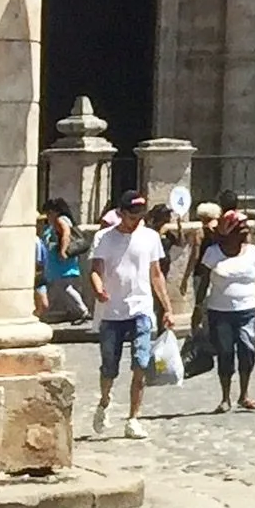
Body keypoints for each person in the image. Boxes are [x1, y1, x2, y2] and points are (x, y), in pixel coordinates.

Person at [87, 187, 170, 439]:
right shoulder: (104, 238)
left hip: (141, 310)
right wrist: (99, 288)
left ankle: (133, 418)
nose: (137, 221)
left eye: (140, 216)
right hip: (112, 312)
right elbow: (95, 268)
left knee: (141, 363)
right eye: (132, 216)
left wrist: (167, 307)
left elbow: (156, 274)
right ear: (121, 213)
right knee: (109, 367)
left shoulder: (150, 238)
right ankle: (104, 401)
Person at [196, 210, 255, 409]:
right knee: (225, 353)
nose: (246, 231)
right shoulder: (213, 253)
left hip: (247, 311)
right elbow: (203, 282)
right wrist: (198, 308)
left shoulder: (252, 252)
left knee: (248, 349)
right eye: (241, 228)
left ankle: (244, 394)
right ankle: (225, 397)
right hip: (220, 313)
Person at [36, 194, 89, 324]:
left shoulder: (60, 220)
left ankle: (82, 310)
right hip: (55, 262)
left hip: (60, 260)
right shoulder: (58, 222)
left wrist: (63, 251)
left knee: (65, 287)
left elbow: (66, 234)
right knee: (58, 286)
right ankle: (67, 310)